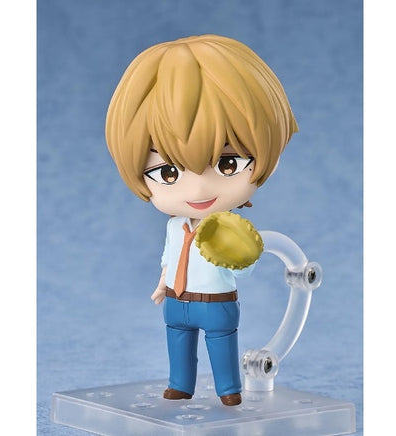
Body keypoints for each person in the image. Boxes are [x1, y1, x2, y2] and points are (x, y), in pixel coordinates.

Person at [105, 34, 298, 406]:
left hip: (216, 300)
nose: (197, 188)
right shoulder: (174, 226)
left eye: (228, 164)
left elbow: (244, 266)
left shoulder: (230, 228)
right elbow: (170, 256)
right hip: (177, 299)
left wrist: (240, 254)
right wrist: (162, 284)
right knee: (177, 341)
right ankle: (180, 384)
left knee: (221, 343)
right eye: (168, 173)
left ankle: (229, 389)